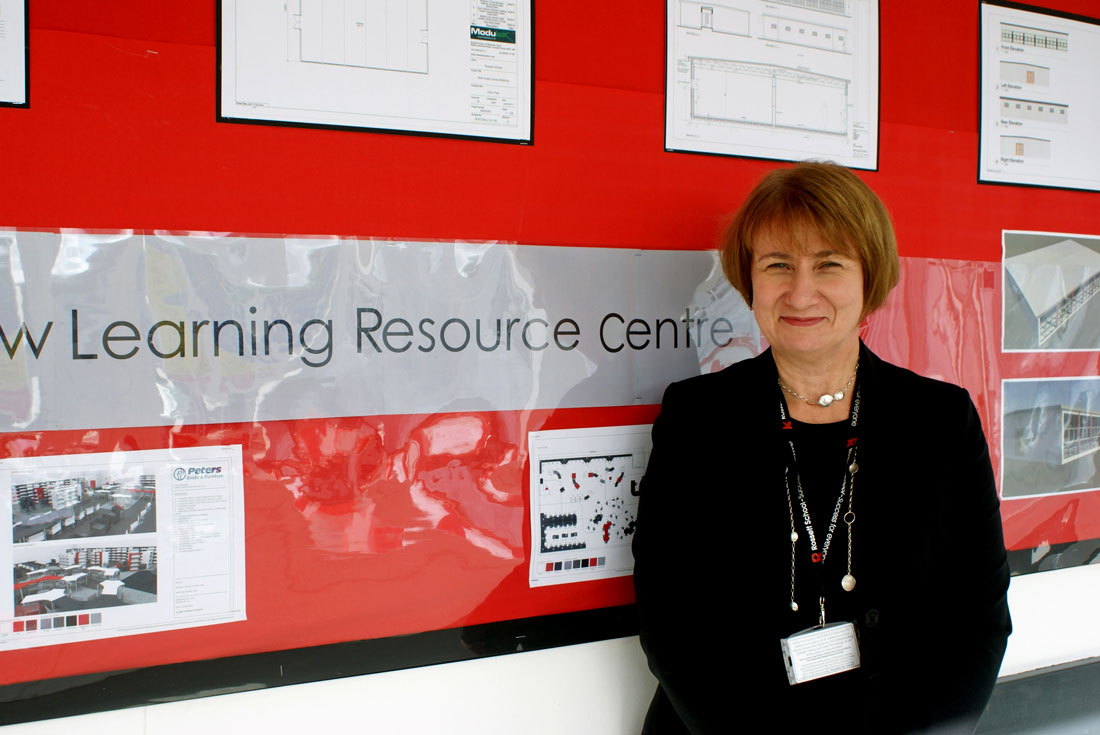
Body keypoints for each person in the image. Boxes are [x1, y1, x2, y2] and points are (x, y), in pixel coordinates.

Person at [632, 161, 1011, 734]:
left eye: (828, 264)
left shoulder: (940, 420)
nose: (800, 291)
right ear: (750, 280)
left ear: (869, 278)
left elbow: (979, 614)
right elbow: (671, 619)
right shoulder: (697, 419)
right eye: (778, 264)